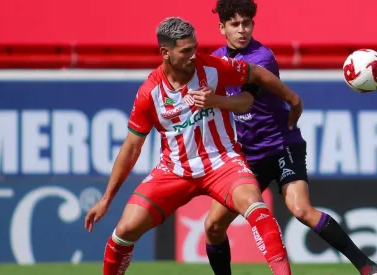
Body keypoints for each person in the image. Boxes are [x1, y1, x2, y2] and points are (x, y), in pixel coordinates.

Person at [84, 16, 304, 275]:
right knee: (124, 230)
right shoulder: (149, 93)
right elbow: (132, 148)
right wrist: (106, 199)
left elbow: (255, 74)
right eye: (185, 51)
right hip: (175, 169)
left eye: (195, 48)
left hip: (223, 161)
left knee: (256, 207)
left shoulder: (212, 67)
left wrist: (291, 97)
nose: (193, 55)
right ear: (165, 53)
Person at [200, 1, 377, 275]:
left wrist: (211, 99)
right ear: (222, 27)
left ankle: (367, 266)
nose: (242, 30)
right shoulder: (215, 60)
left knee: (300, 209)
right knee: (213, 227)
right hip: (246, 157)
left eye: (247, 23)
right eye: (235, 24)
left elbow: (243, 101)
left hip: (280, 145)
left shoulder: (261, 58)